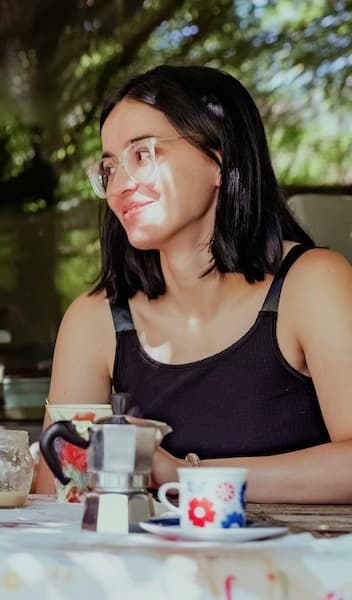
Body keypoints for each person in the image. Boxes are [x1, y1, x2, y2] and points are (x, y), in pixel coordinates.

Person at [37, 65, 352, 503]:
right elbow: (62, 490)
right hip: (148, 570)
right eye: (110, 167)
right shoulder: (95, 320)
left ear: (219, 159)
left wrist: (183, 475)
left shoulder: (312, 283)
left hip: (305, 567)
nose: (120, 185)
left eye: (142, 154)